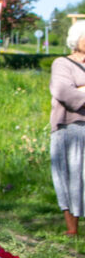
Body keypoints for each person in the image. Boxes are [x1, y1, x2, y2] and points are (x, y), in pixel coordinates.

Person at [50, 20, 85, 237]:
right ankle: (72, 228)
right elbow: (64, 92)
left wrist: (80, 88)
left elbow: (74, 92)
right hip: (68, 127)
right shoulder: (62, 64)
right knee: (68, 177)